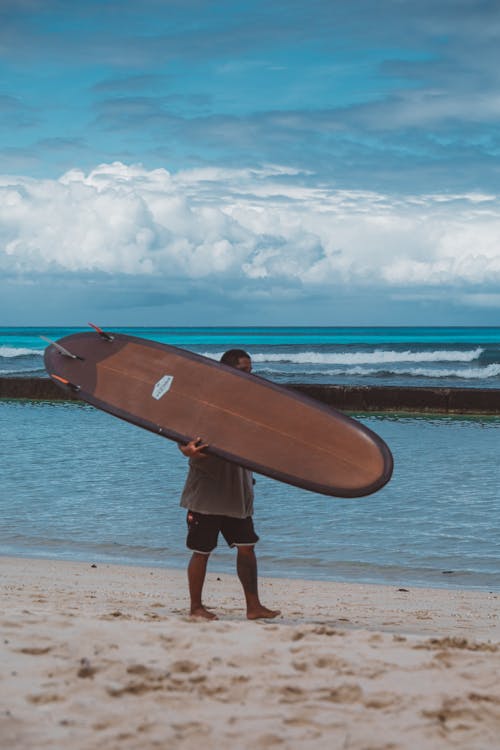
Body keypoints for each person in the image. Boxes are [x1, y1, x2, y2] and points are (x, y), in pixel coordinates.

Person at [178, 349, 280, 621]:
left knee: (247, 546)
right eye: (244, 370)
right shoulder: (205, 401)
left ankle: (254, 607)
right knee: (201, 551)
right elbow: (183, 438)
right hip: (207, 492)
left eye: (251, 370)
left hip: (238, 489)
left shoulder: (250, 404)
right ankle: (196, 607)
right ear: (228, 370)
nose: (250, 375)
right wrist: (188, 450)